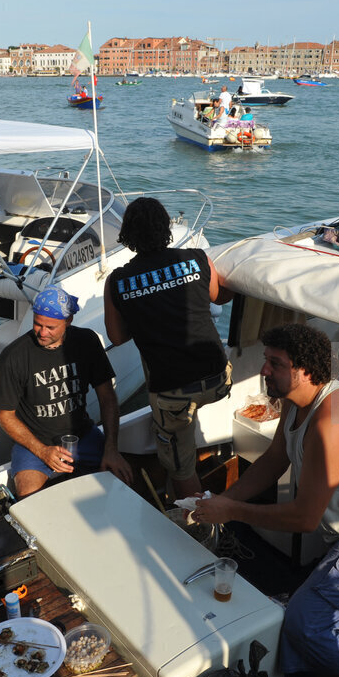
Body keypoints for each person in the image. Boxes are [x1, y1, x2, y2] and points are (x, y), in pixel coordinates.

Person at [194, 323, 339, 677]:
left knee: (306, 620)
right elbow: (274, 460)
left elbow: (304, 518)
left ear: (304, 371)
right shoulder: (295, 402)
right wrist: (222, 499)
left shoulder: (331, 422)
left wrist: (232, 511)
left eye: (274, 363)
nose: (263, 371)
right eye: (265, 360)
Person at [105, 197, 231, 499]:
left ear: (128, 236)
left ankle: (200, 532)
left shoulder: (118, 281)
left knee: (181, 469)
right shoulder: (198, 258)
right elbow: (218, 297)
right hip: (218, 379)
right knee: (183, 424)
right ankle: (178, 497)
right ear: (166, 227)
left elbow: (117, 337)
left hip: (173, 394)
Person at [0, 285, 129, 497]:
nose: (42, 332)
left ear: (68, 321)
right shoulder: (14, 356)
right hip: (35, 443)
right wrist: (42, 450)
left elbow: (107, 397)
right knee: (28, 496)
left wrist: (111, 448)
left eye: (51, 327)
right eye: (37, 324)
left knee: (122, 479)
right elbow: (4, 415)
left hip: (82, 435)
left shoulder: (87, 341)